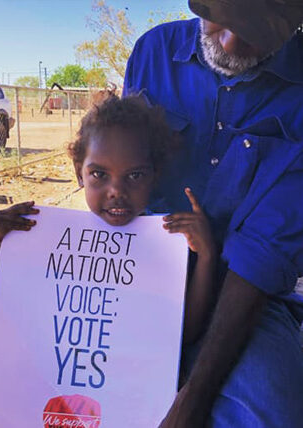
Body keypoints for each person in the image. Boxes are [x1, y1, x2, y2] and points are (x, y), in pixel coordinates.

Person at [0, 94, 218, 427]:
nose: (115, 191)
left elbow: (186, 332)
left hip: (131, 393)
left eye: (134, 176)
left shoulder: (168, 241)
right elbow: (20, 316)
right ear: (79, 171)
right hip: (51, 383)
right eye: (99, 175)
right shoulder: (52, 240)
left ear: (155, 174)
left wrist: (206, 256)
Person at [123, 1, 303, 426]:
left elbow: (264, 255)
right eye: (224, 16)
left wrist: (194, 396)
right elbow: (117, 177)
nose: (231, 40)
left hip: (244, 296)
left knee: (269, 416)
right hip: (141, 278)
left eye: (257, 28)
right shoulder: (152, 53)